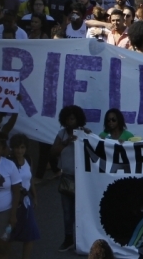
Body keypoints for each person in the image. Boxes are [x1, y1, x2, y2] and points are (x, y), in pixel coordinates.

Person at [51, 105, 88, 252]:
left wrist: (86, 136)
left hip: (82, 179)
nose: (69, 121)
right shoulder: (61, 135)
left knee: (82, 211)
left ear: (78, 119)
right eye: (67, 118)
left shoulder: (84, 133)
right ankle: (68, 239)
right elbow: (53, 152)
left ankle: (82, 241)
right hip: (66, 177)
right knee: (67, 212)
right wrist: (66, 143)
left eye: (72, 118)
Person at [9, 134, 40, 258]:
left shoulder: (28, 159)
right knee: (9, 234)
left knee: (30, 233)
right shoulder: (9, 162)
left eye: (22, 147)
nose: (19, 150)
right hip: (12, 201)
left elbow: (30, 179)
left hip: (26, 201)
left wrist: (35, 197)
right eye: (17, 147)